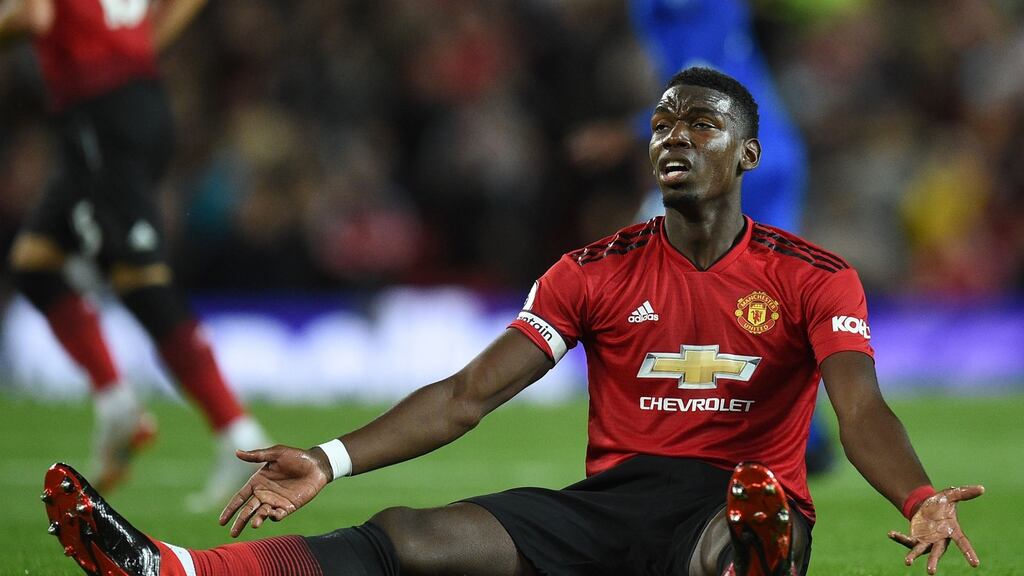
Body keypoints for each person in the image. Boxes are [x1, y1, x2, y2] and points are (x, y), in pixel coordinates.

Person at [42, 67, 983, 576]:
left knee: (739, 536)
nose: (672, 137)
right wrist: (327, 460)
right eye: (661, 122)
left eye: (698, 123)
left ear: (748, 154)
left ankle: (759, 555)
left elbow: (859, 410)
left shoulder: (813, 275)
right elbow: (464, 397)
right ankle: (175, 570)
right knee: (408, 540)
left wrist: (918, 495)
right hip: (611, 507)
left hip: (742, 498)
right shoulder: (593, 271)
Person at [0, 0, 269, 510]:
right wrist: (139, 44)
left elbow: (32, 17)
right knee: (35, 263)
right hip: (125, 106)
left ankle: (240, 439)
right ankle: (117, 400)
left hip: (101, 113)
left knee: (142, 280)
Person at [566, 0, 837, 476]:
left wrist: (626, 134)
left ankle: (667, 431)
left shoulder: (703, 9)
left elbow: (709, 89)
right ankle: (800, 441)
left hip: (750, 159)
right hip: (746, 152)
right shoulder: (651, 11)